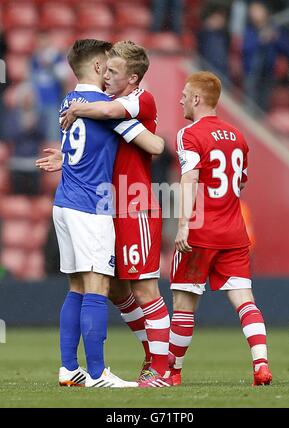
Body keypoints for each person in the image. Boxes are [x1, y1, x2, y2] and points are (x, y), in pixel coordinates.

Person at [40, 41, 172, 388]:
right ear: (99, 67)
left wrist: (66, 159)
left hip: (65, 202)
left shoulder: (69, 102)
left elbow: (86, 147)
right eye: (108, 68)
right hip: (92, 206)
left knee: (78, 288)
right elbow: (156, 146)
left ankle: (69, 368)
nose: (110, 74)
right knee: (98, 287)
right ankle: (98, 374)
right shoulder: (106, 107)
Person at [168, 71, 272, 386]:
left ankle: (173, 373)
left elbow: (190, 179)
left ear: (197, 99)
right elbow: (241, 181)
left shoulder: (189, 135)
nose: (181, 99)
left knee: (184, 304)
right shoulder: (238, 137)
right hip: (234, 232)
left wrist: (183, 224)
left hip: (200, 231)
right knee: (245, 300)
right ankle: (261, 365)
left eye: (185, 95)